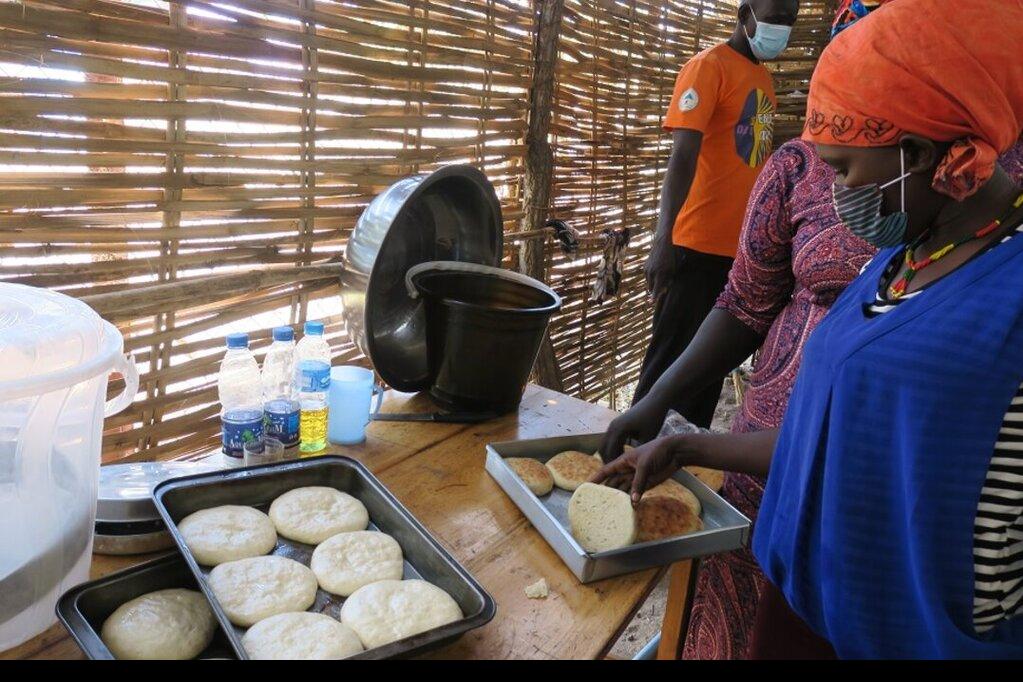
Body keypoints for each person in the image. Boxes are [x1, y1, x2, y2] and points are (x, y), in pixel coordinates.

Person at [597, 0, 1023, 657]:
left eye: (844, 169)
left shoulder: (1000, 295)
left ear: (914, 154)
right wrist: (685, 446)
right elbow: (833, 435)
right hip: (806, 604)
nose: (836, 188)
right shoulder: (900, 260)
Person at [634, 0, 799, 429]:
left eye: (790, 20)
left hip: (737, 254)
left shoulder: (761, 77)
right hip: (695, 246)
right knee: (668, 368)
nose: (783, 28)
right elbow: (682, 156)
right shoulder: (708, 67)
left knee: (705, 373)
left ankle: (682, 460)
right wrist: (663, 240)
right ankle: (631, 452)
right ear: (745, 15)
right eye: (775, 18)